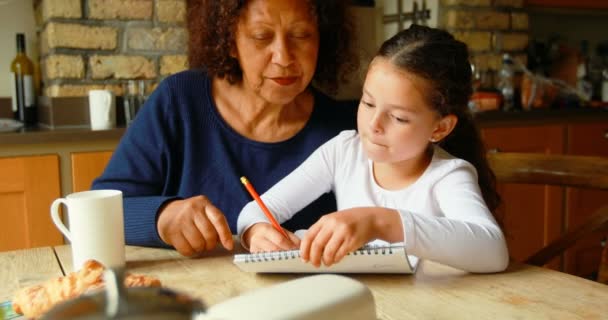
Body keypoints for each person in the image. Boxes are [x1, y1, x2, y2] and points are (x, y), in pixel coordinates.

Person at [92, 0, 359, 256]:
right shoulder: (179, 100)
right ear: (230, 41)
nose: (284, 57)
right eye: (261, 36)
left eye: (301, 35)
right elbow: (98, 209)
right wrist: (162, 216)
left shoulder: (348, 130)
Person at [237, 25, 510, 273]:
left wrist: (380, 222)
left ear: (439, 128)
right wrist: (258, 232)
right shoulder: (344, 152)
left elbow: (493, 251)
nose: (373, 125)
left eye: (399, 117)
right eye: (367, 103)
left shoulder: (447, 176)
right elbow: (255, 211)